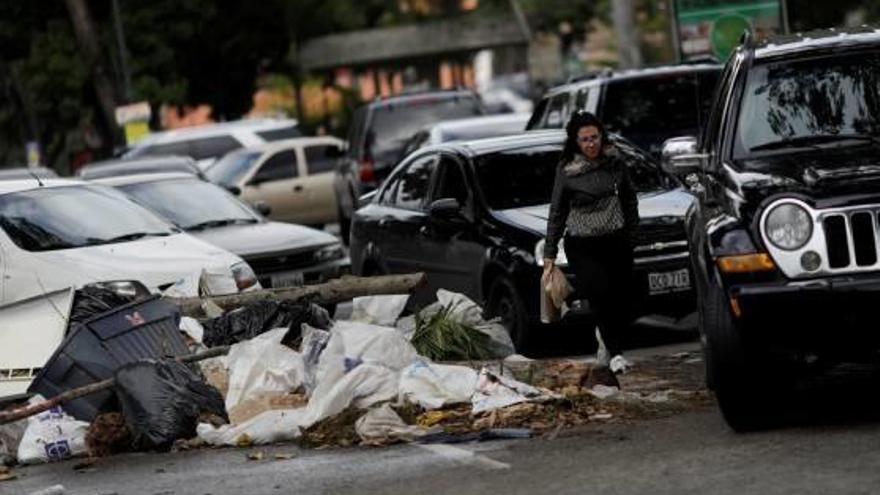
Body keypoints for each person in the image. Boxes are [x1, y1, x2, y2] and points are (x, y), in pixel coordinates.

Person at [543, 111, 639, 374]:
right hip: (584, 246)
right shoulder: (567, 170)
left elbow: (630, 199)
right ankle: (616, 353)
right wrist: (550, 252)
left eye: (594, 137)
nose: (591, 144)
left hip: (616, 240)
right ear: (576, 142)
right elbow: (557, 212)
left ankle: (607, 343)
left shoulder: (615, 162)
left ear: (601, 136)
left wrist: (632, 233)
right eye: (584, 140)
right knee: (600, 295)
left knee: (621, 300)